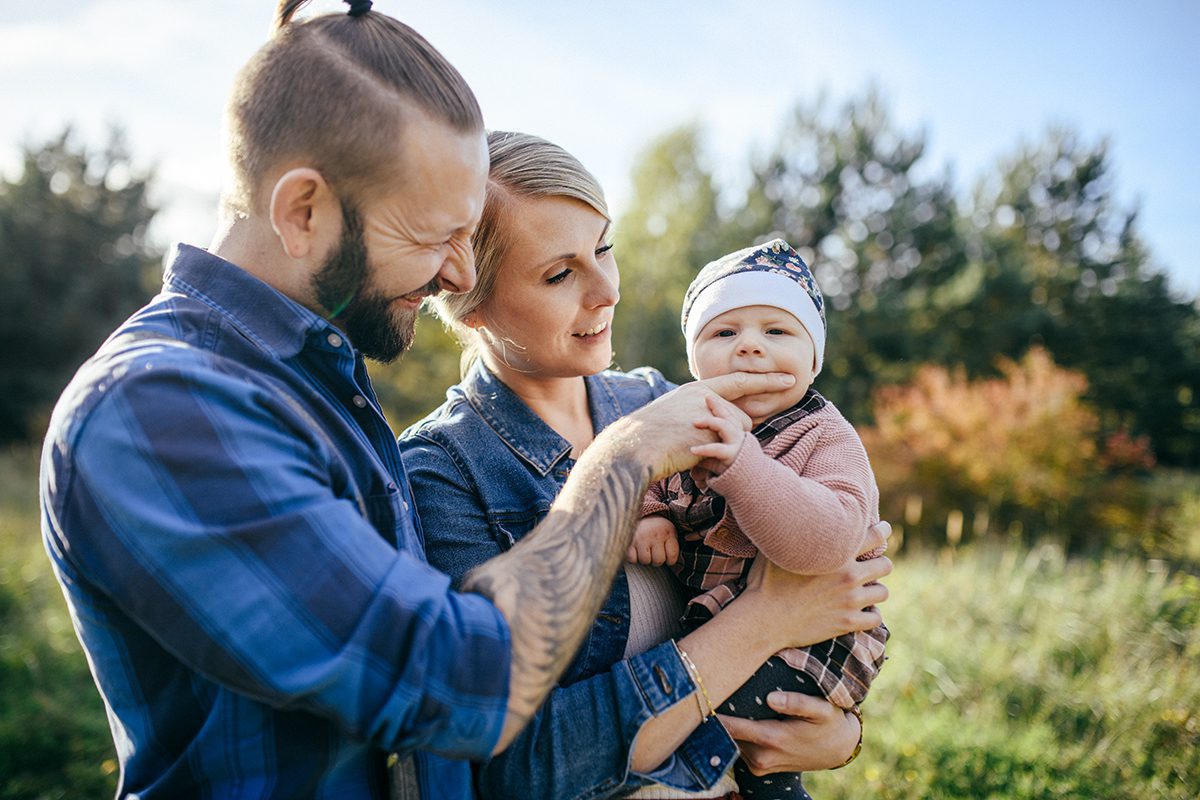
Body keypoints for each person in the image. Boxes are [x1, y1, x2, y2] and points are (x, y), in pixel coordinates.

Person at [36, 3, 841, 798]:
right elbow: (461, 686)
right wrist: (623, 460)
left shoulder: (316, 382)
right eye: (429, 236)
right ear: (302, 211)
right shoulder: (162, 408)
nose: (455, 278)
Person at [399, 131, 892, 799]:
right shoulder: (441, 475)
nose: (606, 290)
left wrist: (840, 733)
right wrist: (765, 620)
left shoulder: (668, 398)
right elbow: (508, 770)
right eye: (560, 273)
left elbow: (844, 562)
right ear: (468, 297)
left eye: (604, 248)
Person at [631, 239, 889, 798]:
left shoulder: (823, 435)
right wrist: (651, 515)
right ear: (694, 358)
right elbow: (648, 475)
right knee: (725, 749)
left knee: (725, 728)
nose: (749, 348)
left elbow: (825, 548)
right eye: (724, 333)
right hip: (726, 627)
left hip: (810, 640)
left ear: (814, 358)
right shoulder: (687, 418)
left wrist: (743, 465)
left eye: (777, 331)